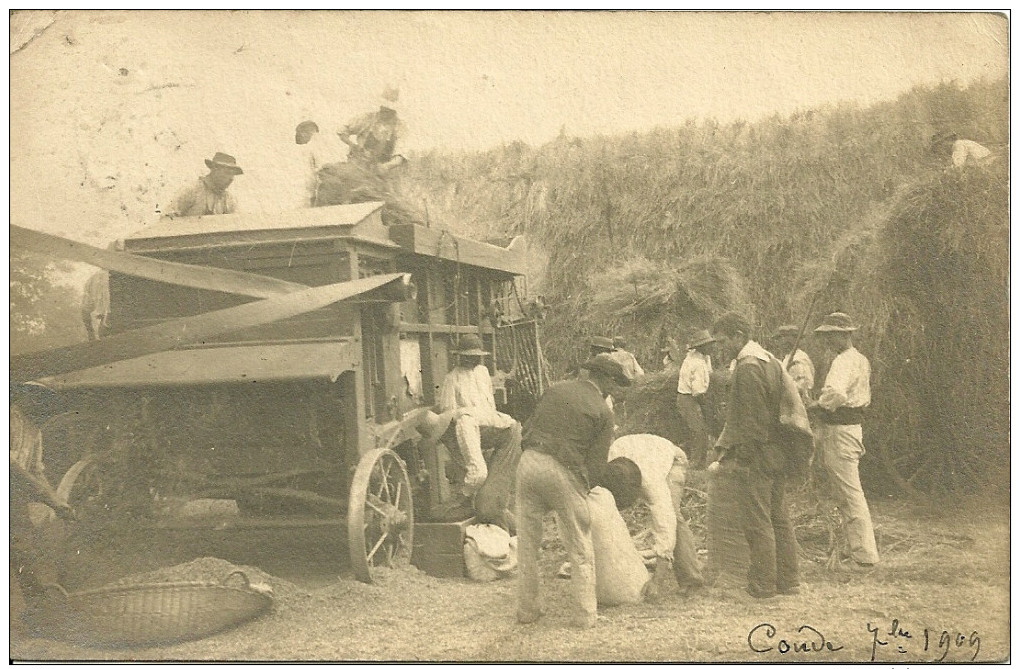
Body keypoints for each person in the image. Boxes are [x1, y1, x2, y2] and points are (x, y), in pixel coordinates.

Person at [516, 354, 629, 629]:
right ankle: (585, 615)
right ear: (605, 379)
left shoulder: (554, 389)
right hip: (562, 470)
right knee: (579, 546)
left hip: (528, 462)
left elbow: (528, 428)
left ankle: (527, 610)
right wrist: (583, 489)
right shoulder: (603, 411)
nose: (615, 390)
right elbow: (596, 465)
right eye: (615, 384)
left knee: (527, 544)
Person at [708, 313, 800, 599]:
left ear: (738, 335)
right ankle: (789, 582)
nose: (721, 348)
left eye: (724, 341)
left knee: (758, 520)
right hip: (777, 451)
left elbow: (751, 421)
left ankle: (762, 586)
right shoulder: (769, 360)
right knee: (778, 517)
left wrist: (743, 459)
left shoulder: (747, 368)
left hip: (758, 454)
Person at [808, 312, 880, 568]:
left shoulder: (843, 362)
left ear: (844, 334)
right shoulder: (860, 359)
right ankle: (854, 547)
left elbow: (835, 395)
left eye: (831, 336)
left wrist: (814, 405)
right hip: (850, 429)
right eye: (825, 336)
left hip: (840, 429)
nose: (827, 341)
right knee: (845, 491)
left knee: (850, 493)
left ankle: (864, 555)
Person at [603, 434, 704, 601]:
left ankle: (691, 579)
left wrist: (657, 581)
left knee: (673, 517)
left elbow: (665, 527)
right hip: (640, 452)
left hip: (672, 459)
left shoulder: (652, 484)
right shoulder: (609, 469)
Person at [437, 334, 522, 530]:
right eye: (468, 357)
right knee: (483, 491)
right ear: (460, 357)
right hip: (470, 430)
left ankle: (513, 531)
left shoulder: (483, 372)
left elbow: (489, 406)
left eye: (476, 356)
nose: (473, 360)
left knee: (490, 498)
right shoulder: (452, 379)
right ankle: (512, 530)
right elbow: (448, 412)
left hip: (495, 431)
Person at [339, 87, 406, 172]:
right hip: (356, 166)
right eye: (383, 108)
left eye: (388, 110)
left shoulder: (400, 126)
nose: (384, 111)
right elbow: (342, 130)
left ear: (394, 110)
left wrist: (386, 166)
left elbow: (400, 156)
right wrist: (352, 145)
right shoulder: (367, 118)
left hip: (382, 172)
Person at [676, 329, 715, 469]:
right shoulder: (697, 363)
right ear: (701, 347)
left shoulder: (693, 357)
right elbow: (698, 391)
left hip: (684, 398)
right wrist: (706, 407)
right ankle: (696, 464)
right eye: (708, 345)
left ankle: (696, 461)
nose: (711, 347)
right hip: (689, 399)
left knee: (696, 430)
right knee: (700, 431)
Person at [167, 152, 243, 217]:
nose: (231, 178)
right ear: (215, 169)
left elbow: (236, 225)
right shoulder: (192, 190)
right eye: (227, 173)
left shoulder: (229, 200)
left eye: (233, 175)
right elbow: (167, 219)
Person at [294, 120, 343, 207]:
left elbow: (310, 176)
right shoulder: (332, 140)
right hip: (343, 182)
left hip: (326, 184)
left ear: (305, 132)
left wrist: (311, 196)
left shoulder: (310, 146)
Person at [773, 324, 815, 403]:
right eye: (779, 339)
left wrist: (785, 389)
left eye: (784, 339)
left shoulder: (798, 358)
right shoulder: (788, 357)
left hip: (799, 401)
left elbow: (805, 383)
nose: (780, 343)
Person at [929, 131, 995, 169]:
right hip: (984, 164)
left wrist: (945, 169)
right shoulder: (960, 144)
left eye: (941, 145)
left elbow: (958, 165)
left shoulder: (958, 144)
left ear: (947, 141)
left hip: (988, 164)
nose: (941, 149)